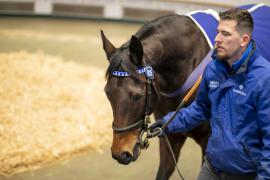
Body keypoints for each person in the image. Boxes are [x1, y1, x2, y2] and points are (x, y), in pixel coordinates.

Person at [150, 8, 270, 180]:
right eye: (218, 32)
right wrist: (167, 123)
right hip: (212, 166)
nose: (217, 39)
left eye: (225, 34)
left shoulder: (264, 78)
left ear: (244, 40)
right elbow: (201, 108)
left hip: (245, 173)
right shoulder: (213, 68)